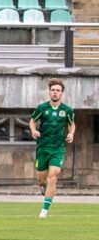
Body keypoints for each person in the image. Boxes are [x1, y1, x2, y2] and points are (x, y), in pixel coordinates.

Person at [30, 79, 75, 219]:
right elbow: (32, 121)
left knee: (53, 176)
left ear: (62, 93)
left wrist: (71, 134)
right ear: (49, 91)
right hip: (43, 147)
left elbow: (72, 124)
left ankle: (44, 211)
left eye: (58, 90)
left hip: (58, 148)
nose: (55, 92)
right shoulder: (42, 108)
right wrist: (33, 130)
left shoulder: (67, 110)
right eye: (53, 90)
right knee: (41, 180)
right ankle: (43, 187)